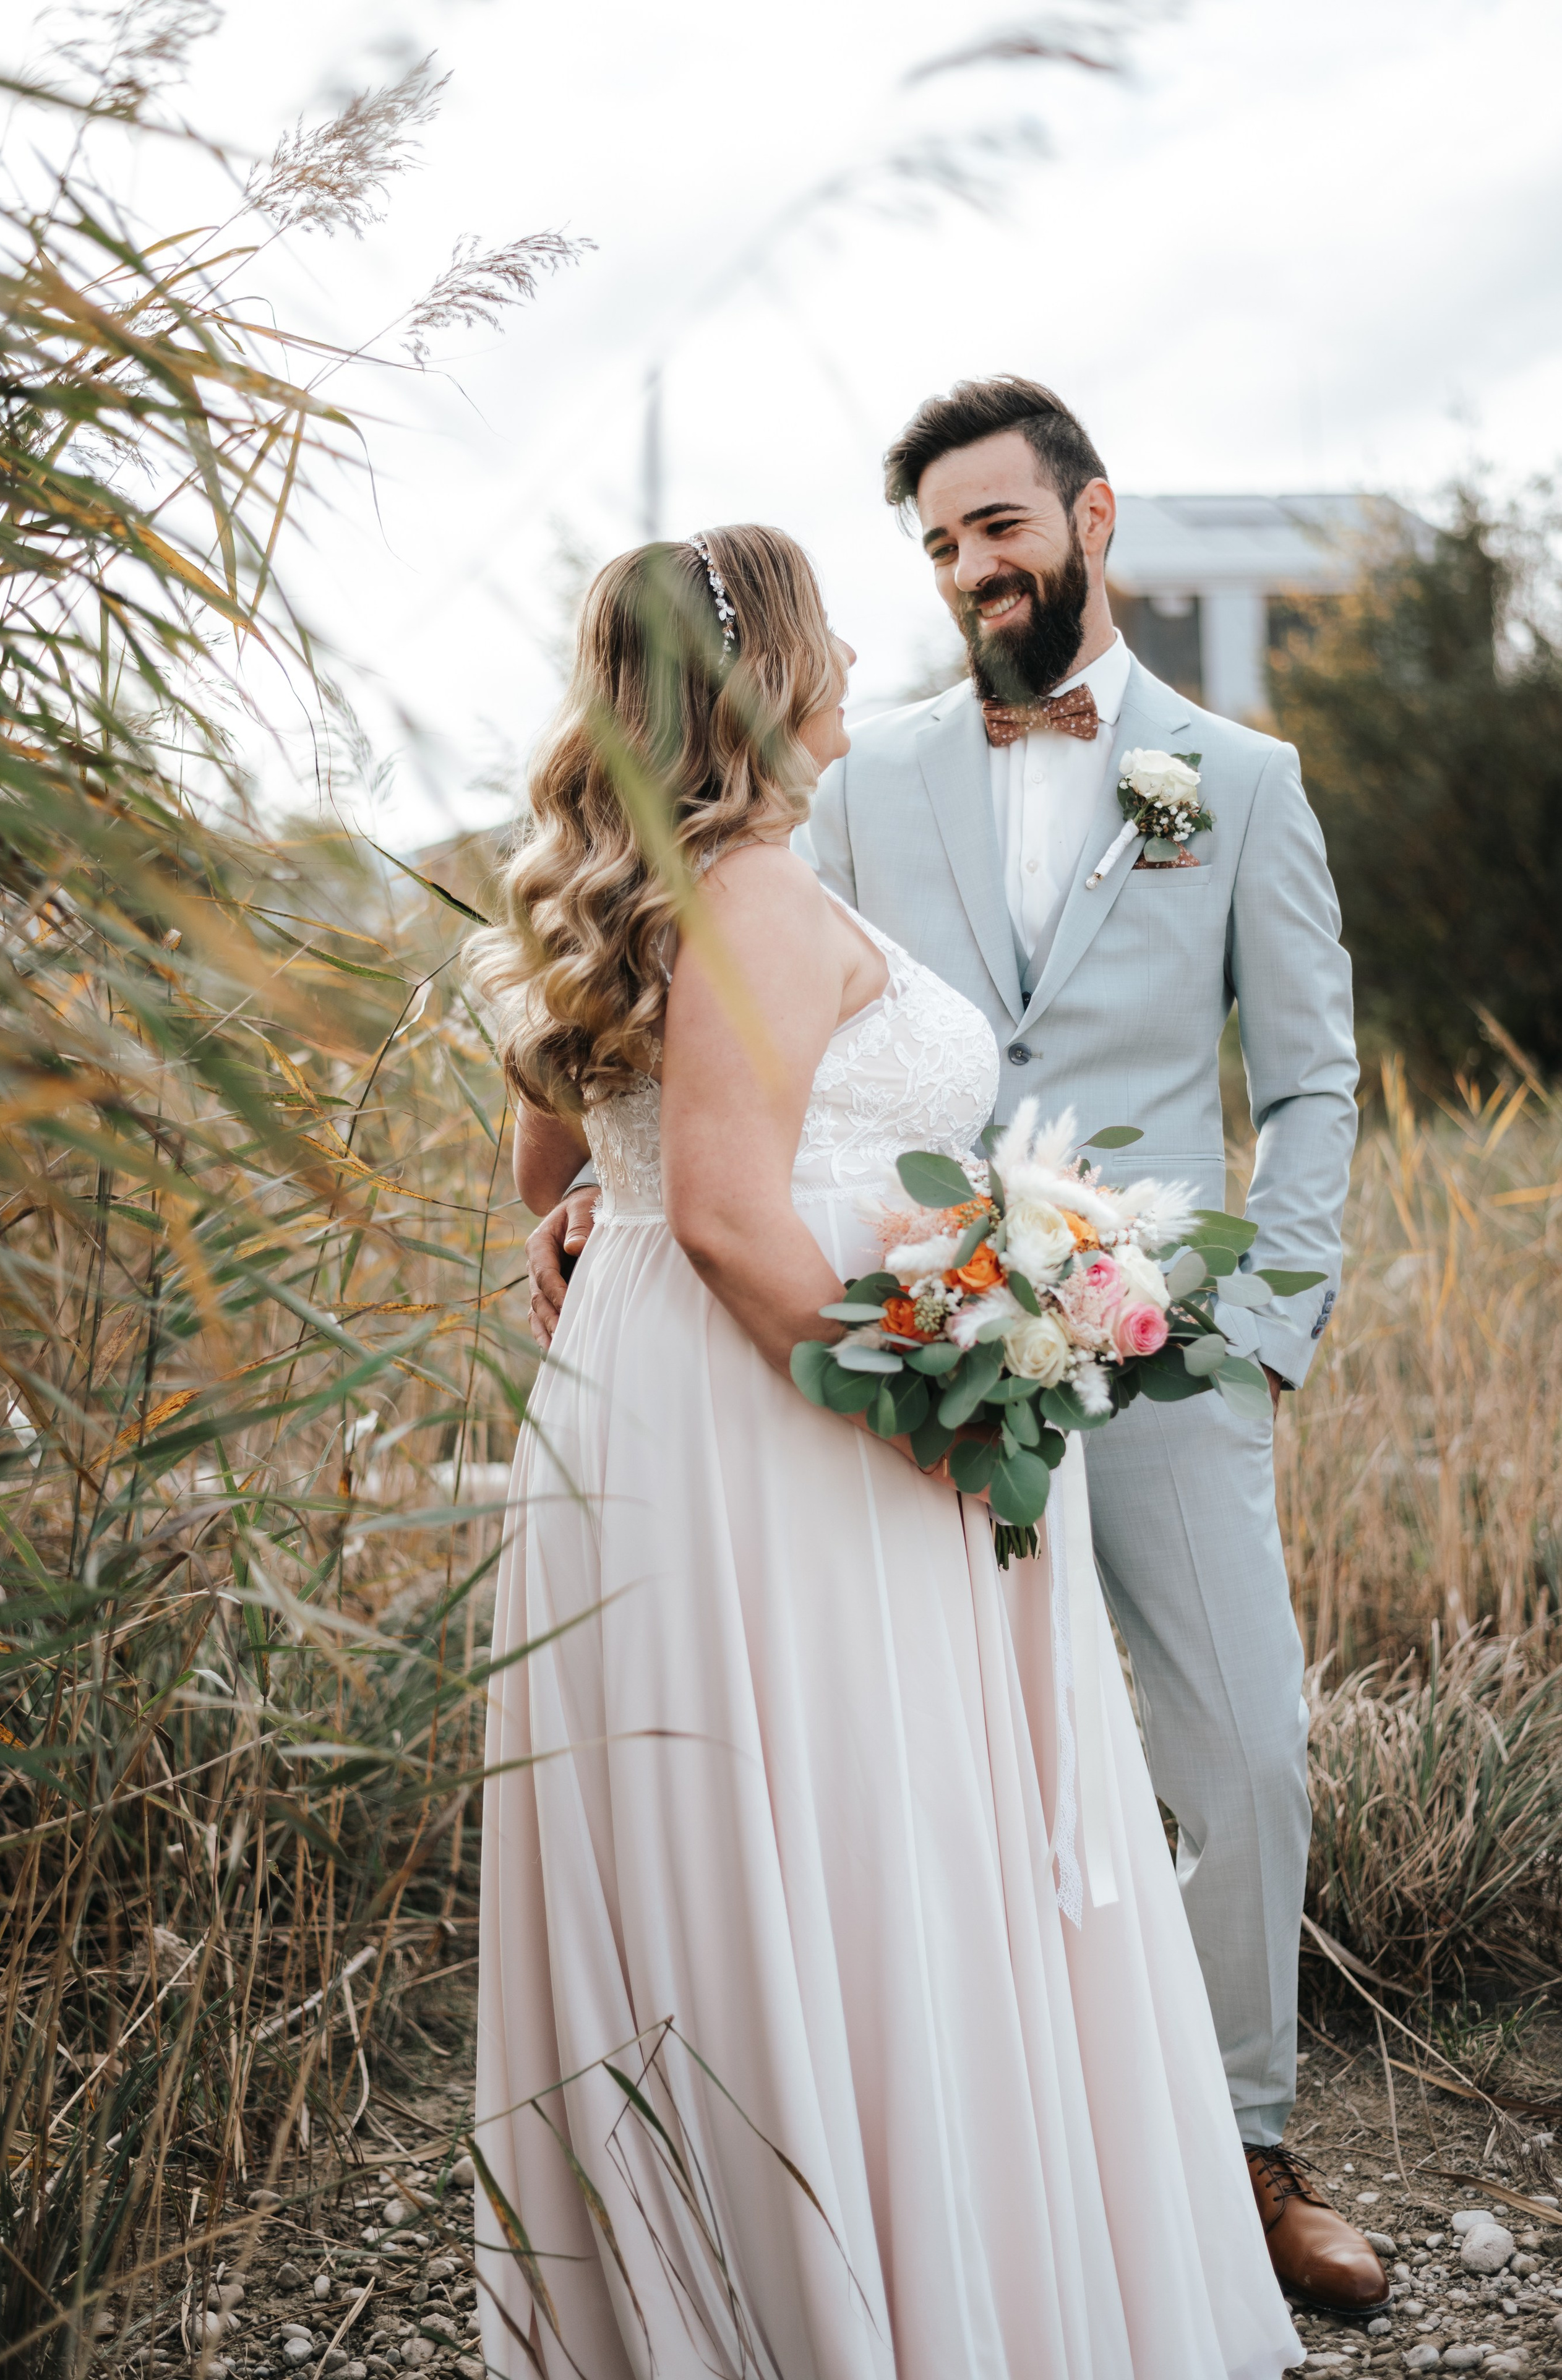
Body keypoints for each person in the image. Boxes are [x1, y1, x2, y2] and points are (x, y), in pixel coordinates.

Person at [525, 379, 1381, 2321]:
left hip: (1149, 1329)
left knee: (1240, 1746)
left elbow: (1312, 1081)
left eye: (997, 526)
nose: (967, 568)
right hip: (893, 1345)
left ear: (1092, 517)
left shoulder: (1239, 780)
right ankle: (1027, 2176)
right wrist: (606, 1195)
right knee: (961, 1783)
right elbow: (724, 1022)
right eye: (932, 543)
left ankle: (1243, 2149)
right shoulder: (855, 774)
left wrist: (1263, 1325)